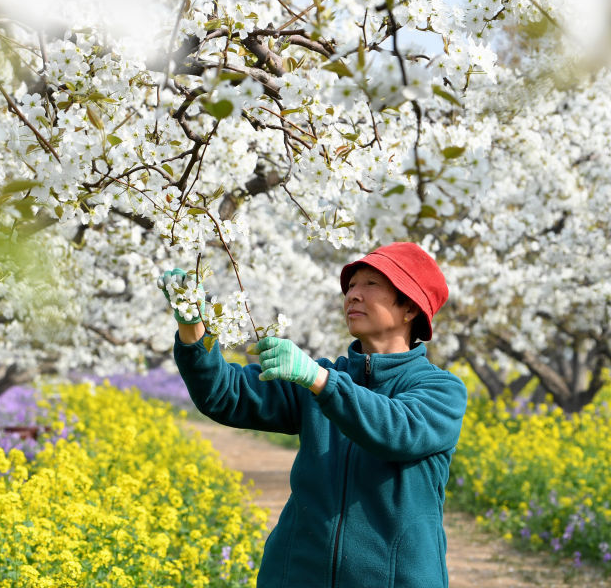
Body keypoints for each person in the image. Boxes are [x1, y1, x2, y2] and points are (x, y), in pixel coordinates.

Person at [160, 242, 467, 588]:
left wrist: (320, 381)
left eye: (371, 285)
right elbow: (224, 394)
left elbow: (397, 430)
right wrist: (192, 328)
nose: (353, 295)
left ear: (410, 308)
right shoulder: (322, 378)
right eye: (351, 286)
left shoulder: (442, 390)